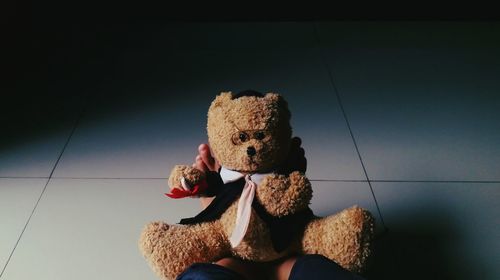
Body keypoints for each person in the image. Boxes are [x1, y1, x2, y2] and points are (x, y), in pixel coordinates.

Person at [178, 138, 365, 280]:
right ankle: (286, 259)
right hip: (293, 255)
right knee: (315, 270)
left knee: (205, 276)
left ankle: (226, 230)